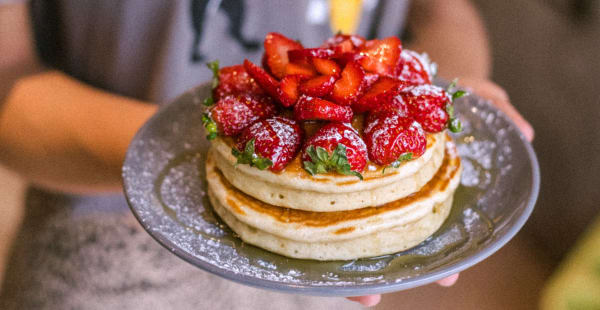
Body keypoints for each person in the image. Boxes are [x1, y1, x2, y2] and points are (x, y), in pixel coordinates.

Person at [0, 0, 533, 308]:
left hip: (324, 283)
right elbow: (8, 80)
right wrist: (183, 150)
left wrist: (456, 88)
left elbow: (444, 12)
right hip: (102, 250)